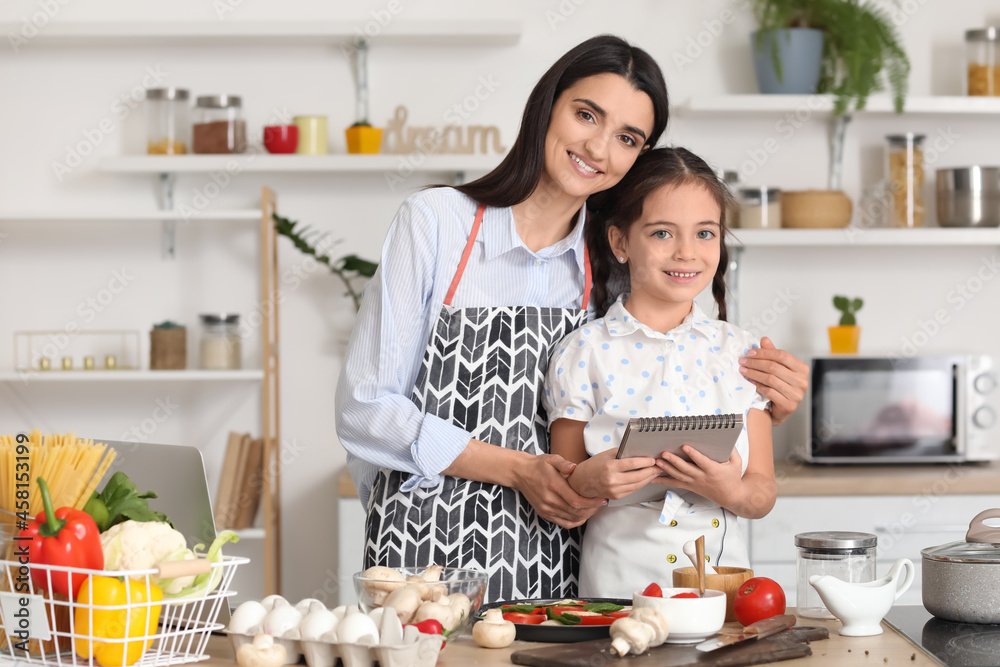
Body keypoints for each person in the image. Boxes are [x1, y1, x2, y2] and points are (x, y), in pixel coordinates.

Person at [335, 35, 806, 603]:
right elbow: (366, 409)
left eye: (627, 138)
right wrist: (520, 470)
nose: (600, 148)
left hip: (556, 557)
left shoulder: (611, 258)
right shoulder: (437, 222)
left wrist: (765, 398)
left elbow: (649, 392)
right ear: (547, 105)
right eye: (587, 114)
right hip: (426, 547)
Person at [543, 147, 777, 597]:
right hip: (617, 591)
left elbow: (762, 492)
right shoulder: (583, 352)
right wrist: (590, 481)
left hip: (721, 595)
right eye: (663, 233)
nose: (687, 252)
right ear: (620, 242)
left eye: (705, 233)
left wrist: (730, 490)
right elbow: (562, 488)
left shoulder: (741, 354)